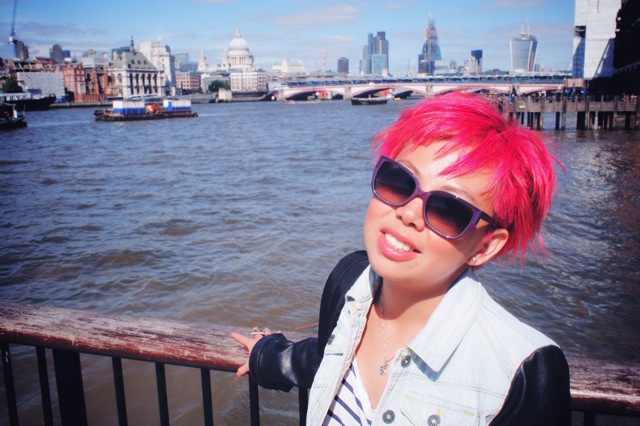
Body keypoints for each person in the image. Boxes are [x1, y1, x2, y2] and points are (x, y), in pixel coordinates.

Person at [232, 92, 571, 425]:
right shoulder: (349, 279)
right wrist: (266, 357)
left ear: (485, 246)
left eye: (448, 209)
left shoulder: (523, 372)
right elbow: (328, 353)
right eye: (399, 181)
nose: (409, 213)